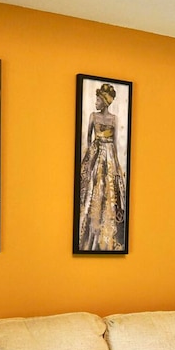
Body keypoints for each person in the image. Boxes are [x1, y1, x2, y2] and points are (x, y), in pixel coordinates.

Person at [78, 83, 126, 251]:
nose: (96, 103)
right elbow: (87, 140)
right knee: (93, 188)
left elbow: (116, 143)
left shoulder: (114, 119)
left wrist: (117, 166)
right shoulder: (93, 116)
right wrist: (88, 160)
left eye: (98, 100)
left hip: (110, 156)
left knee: (109, 191)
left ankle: (107, 231)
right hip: (96, 153)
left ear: (105, 102)